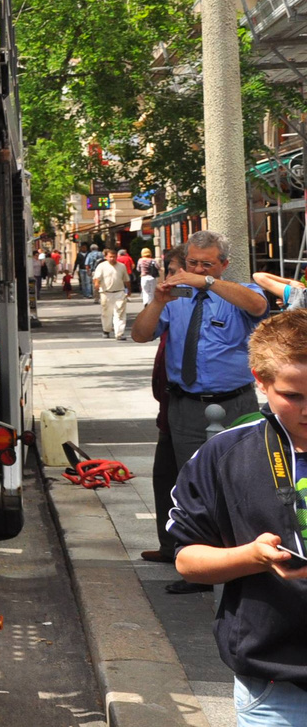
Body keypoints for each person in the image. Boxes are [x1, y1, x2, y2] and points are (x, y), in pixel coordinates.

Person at [166, 309, 307, 724]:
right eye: (293, 396)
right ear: (259, 381)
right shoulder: (224, 455)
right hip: (277, 687)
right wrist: (253, 557)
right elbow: (187, 560)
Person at [131, 229, 268, 593]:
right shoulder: (177, 298)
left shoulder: (239, 294)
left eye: (206, 264)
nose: (194, 269)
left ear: (223, 265)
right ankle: (198, 562)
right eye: (191, 262)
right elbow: (141, 334)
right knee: (190, 482)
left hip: (234, 402)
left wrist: (207, 282)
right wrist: (158, 301)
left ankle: (236, 557)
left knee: (238, 478)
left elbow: (257, 307)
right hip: (187, 405)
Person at [142, 245, 187, 565]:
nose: (166, 278)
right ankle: (169, 544)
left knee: (188, 480)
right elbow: (140, 333)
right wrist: (158, 302)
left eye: (171, 271)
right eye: (166, 271)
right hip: (169, 406)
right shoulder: (171, 305)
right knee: (164, 477)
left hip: (193, 406)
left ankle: (190, 551)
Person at [94, 247, 131, 340]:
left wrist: (129, 290)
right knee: (106, 313)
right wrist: (97, 285)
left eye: (114, 257)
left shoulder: (121, 266)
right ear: (106, 257)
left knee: (120, 313)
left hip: (119, 292)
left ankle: (119, 333)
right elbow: (96, 278)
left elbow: (126, 279)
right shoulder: (101, 266)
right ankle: (106, 330)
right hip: (106, 293)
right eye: (110, 257)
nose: (112, 259)